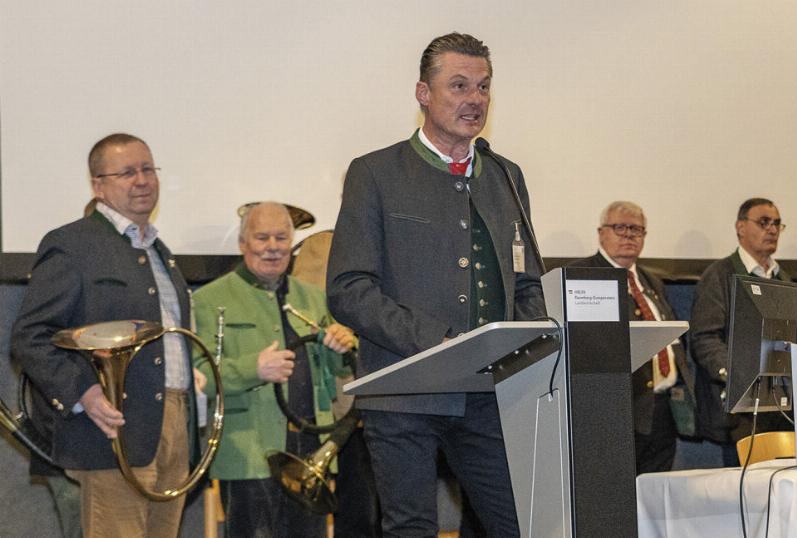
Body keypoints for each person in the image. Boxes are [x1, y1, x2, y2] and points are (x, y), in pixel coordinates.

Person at [326, 32, 546, 536]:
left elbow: (527, 282)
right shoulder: (375, 172)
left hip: (489, 393)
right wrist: (436, 341)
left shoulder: (506, 175)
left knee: (519, 524)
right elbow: (348, 288)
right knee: (412, 529)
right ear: (423, 93)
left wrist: (525, 343)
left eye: (484, 87)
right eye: (459, 85)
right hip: (402, 392)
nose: (475, 99)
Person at [11, 133, 199, 537]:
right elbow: (31, 335)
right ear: (98, 186)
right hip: (111, 431)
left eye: (147, 169)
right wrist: (84, 393)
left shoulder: (160, 251)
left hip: (173, 427)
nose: (142, 180)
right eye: (127, 172)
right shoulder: (72, 244)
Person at [192, 202, 357, 537]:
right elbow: (200, 376)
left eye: (281, 238)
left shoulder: (314, 298)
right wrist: (252, 369)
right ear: (243, 243)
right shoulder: (208, 299)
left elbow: (337, 371)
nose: (273, 247)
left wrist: (343, 346)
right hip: (247, 453)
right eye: (262, 237)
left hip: (310, 451)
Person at [568, 201, 693, 474]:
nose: (628, 235)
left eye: (636, 229)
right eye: (620, 228)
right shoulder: (583, 276)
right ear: (601, 233)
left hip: (663, 410)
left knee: (654, 491)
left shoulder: (651, 280)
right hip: (616, 412)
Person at [688, 198, 797, 466]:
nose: (772, 230)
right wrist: (736, 375)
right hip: (741, 412)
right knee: (748, 487)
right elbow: (705, 339)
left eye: (777, 224)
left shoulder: (783, 278)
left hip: (783, 408)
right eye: (764, 222)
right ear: (740, 227)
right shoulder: (719, 275)